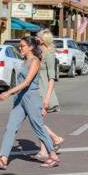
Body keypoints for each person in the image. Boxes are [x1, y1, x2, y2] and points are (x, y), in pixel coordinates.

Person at [0, 36, 60, 169]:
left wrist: (8, 93)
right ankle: (3, 159)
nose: (20, 48)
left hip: (31, 98)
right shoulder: (23, 61)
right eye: (19, 46)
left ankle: (53, 156)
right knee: (10, 127)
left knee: (38, 127)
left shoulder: (35, 61)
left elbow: (27, 82)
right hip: (20, 99)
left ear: (31, 47)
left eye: (22, 46)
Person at [31, 29, 64, 162]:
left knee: (37, 122)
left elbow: (52, 78)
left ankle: (54, 140)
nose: (35, 38)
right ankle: (45, 149)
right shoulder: (38, 53)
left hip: (44, 91)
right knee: (38, 121)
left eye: (37, 37)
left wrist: (47, 97)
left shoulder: (49, 55)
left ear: (42, 40)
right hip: (36, 90)